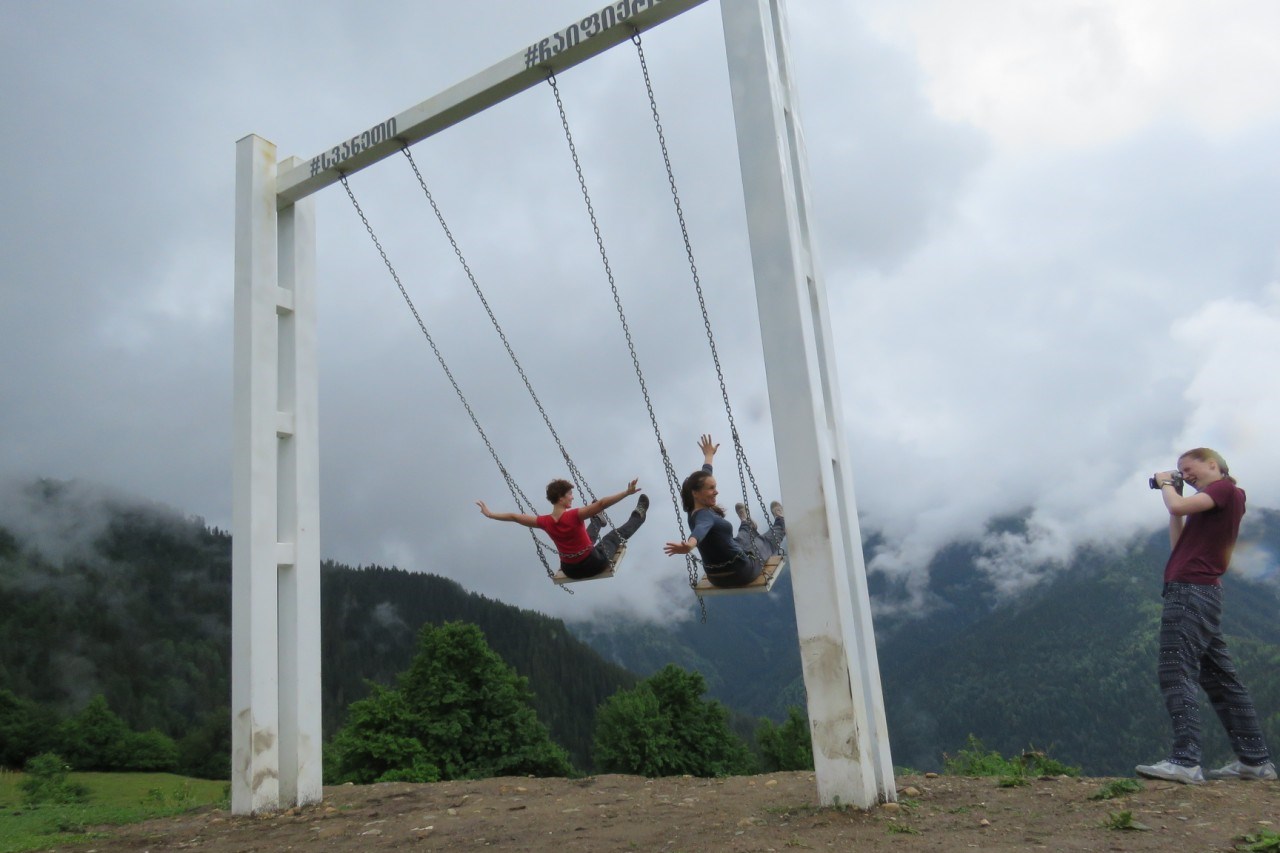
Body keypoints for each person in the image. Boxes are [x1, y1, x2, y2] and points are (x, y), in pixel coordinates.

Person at [1135, 448, 1276, 784]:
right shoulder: (1211, 502)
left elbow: (1176, 504)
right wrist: (1178, 499)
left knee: (1175, 669)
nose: (1185, 474)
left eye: (1188, 468)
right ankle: (1255, 762)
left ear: (1213, 464)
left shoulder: (1225, 489)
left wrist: (1167, 484)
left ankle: (1185, 761)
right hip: (1199, 591)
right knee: (1221, 679)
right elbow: (1179, 543)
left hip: (1191, 592)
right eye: (1180, 470)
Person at [663, 434, 785, 587]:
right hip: (742, 572)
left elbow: (705, 475)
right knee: (765, 542)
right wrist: (690, 545)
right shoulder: (705, 517)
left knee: (738, 540)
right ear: (696, 492)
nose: (716, 492)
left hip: (716, 577)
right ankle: (781, 520)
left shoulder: (692, 508)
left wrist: (709, 455)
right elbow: (700, 530)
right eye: (711, 488)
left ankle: (747, 524)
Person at [477, 478, 648, 580]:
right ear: (561, 498)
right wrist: (626, 492)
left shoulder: (544, 521)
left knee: (587, 538)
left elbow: (514, 517)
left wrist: (490, 514)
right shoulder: (574, 515)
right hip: (593, 564)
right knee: (612, 537)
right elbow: (602, 503)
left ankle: (597, 520)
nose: (572, 497)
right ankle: (638, 516)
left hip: (570, 570)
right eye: (569, 494)